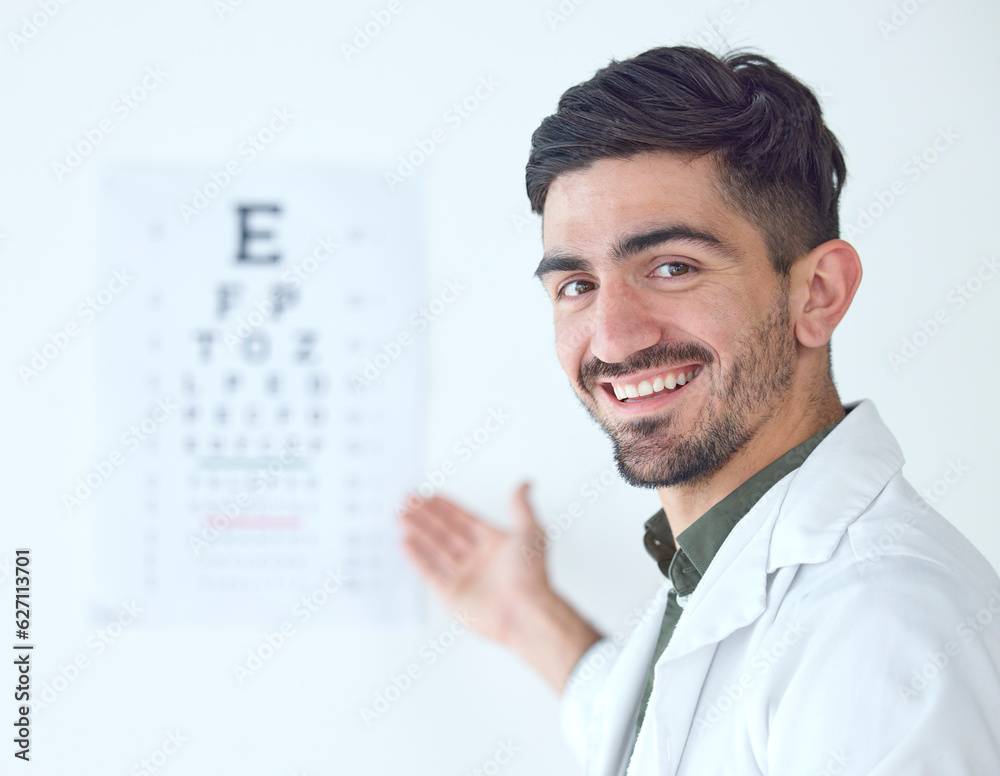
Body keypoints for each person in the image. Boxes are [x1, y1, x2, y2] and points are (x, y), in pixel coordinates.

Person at [397, 46, 1000, 775]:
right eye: (577, 284)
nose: (614, 338)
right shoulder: (721, 568)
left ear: (818, 293)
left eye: (672, 267)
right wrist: (527, 615)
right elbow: (676, 736)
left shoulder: (884, 630)